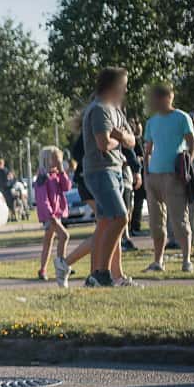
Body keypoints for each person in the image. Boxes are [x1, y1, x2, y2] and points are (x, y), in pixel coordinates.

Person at [78, 67, 140, 287]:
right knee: (120, 218)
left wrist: (120, 136)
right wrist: (118, 138)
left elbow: (133, 140)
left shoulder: (116, 111)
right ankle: (101, 273)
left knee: (105, 223)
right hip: (100, 170)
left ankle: (97, 275)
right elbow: (102, 143)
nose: (125, 89)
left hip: (115, 170)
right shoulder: (99, 110)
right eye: (122, 84)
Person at [139, 82, 194, 273]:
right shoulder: (151, 122)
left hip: (173, 176)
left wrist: (185, 167)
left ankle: (187, 260)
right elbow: (147, 150)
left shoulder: (182, 117)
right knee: (156, 223)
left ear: (168, 97)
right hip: (153, 177)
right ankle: (158, 261)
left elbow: (192, 145)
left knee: (179, 220)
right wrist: (146, 173)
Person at [32, 147, 74, 285]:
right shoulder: (42, 177)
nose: (58, 161)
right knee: (64, 236)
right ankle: (62, 264)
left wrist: (62, 170)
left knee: (48, 241)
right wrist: (50, 216)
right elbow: (42, 199)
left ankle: (43, 269)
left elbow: (67, 187)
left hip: (57, 214)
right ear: (47, 160)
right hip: (50, 216)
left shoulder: (57, 175)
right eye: (55, 159)